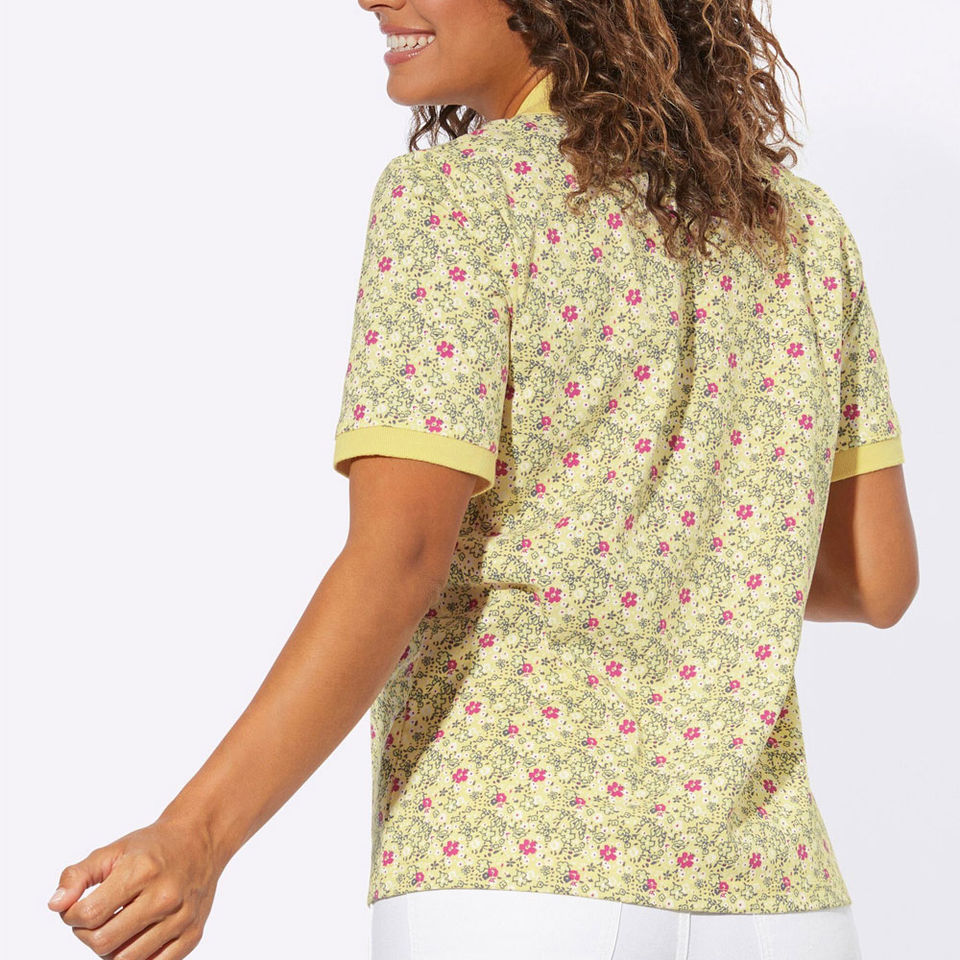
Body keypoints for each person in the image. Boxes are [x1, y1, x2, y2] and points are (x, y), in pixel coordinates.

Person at [47, 1, 919, 959]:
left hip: (517, 875)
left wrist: (196, 837)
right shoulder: (799, 227)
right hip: (775, 897)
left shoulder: (459, 200)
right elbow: (875, 578)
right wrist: (675, 560)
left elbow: (400, 558)